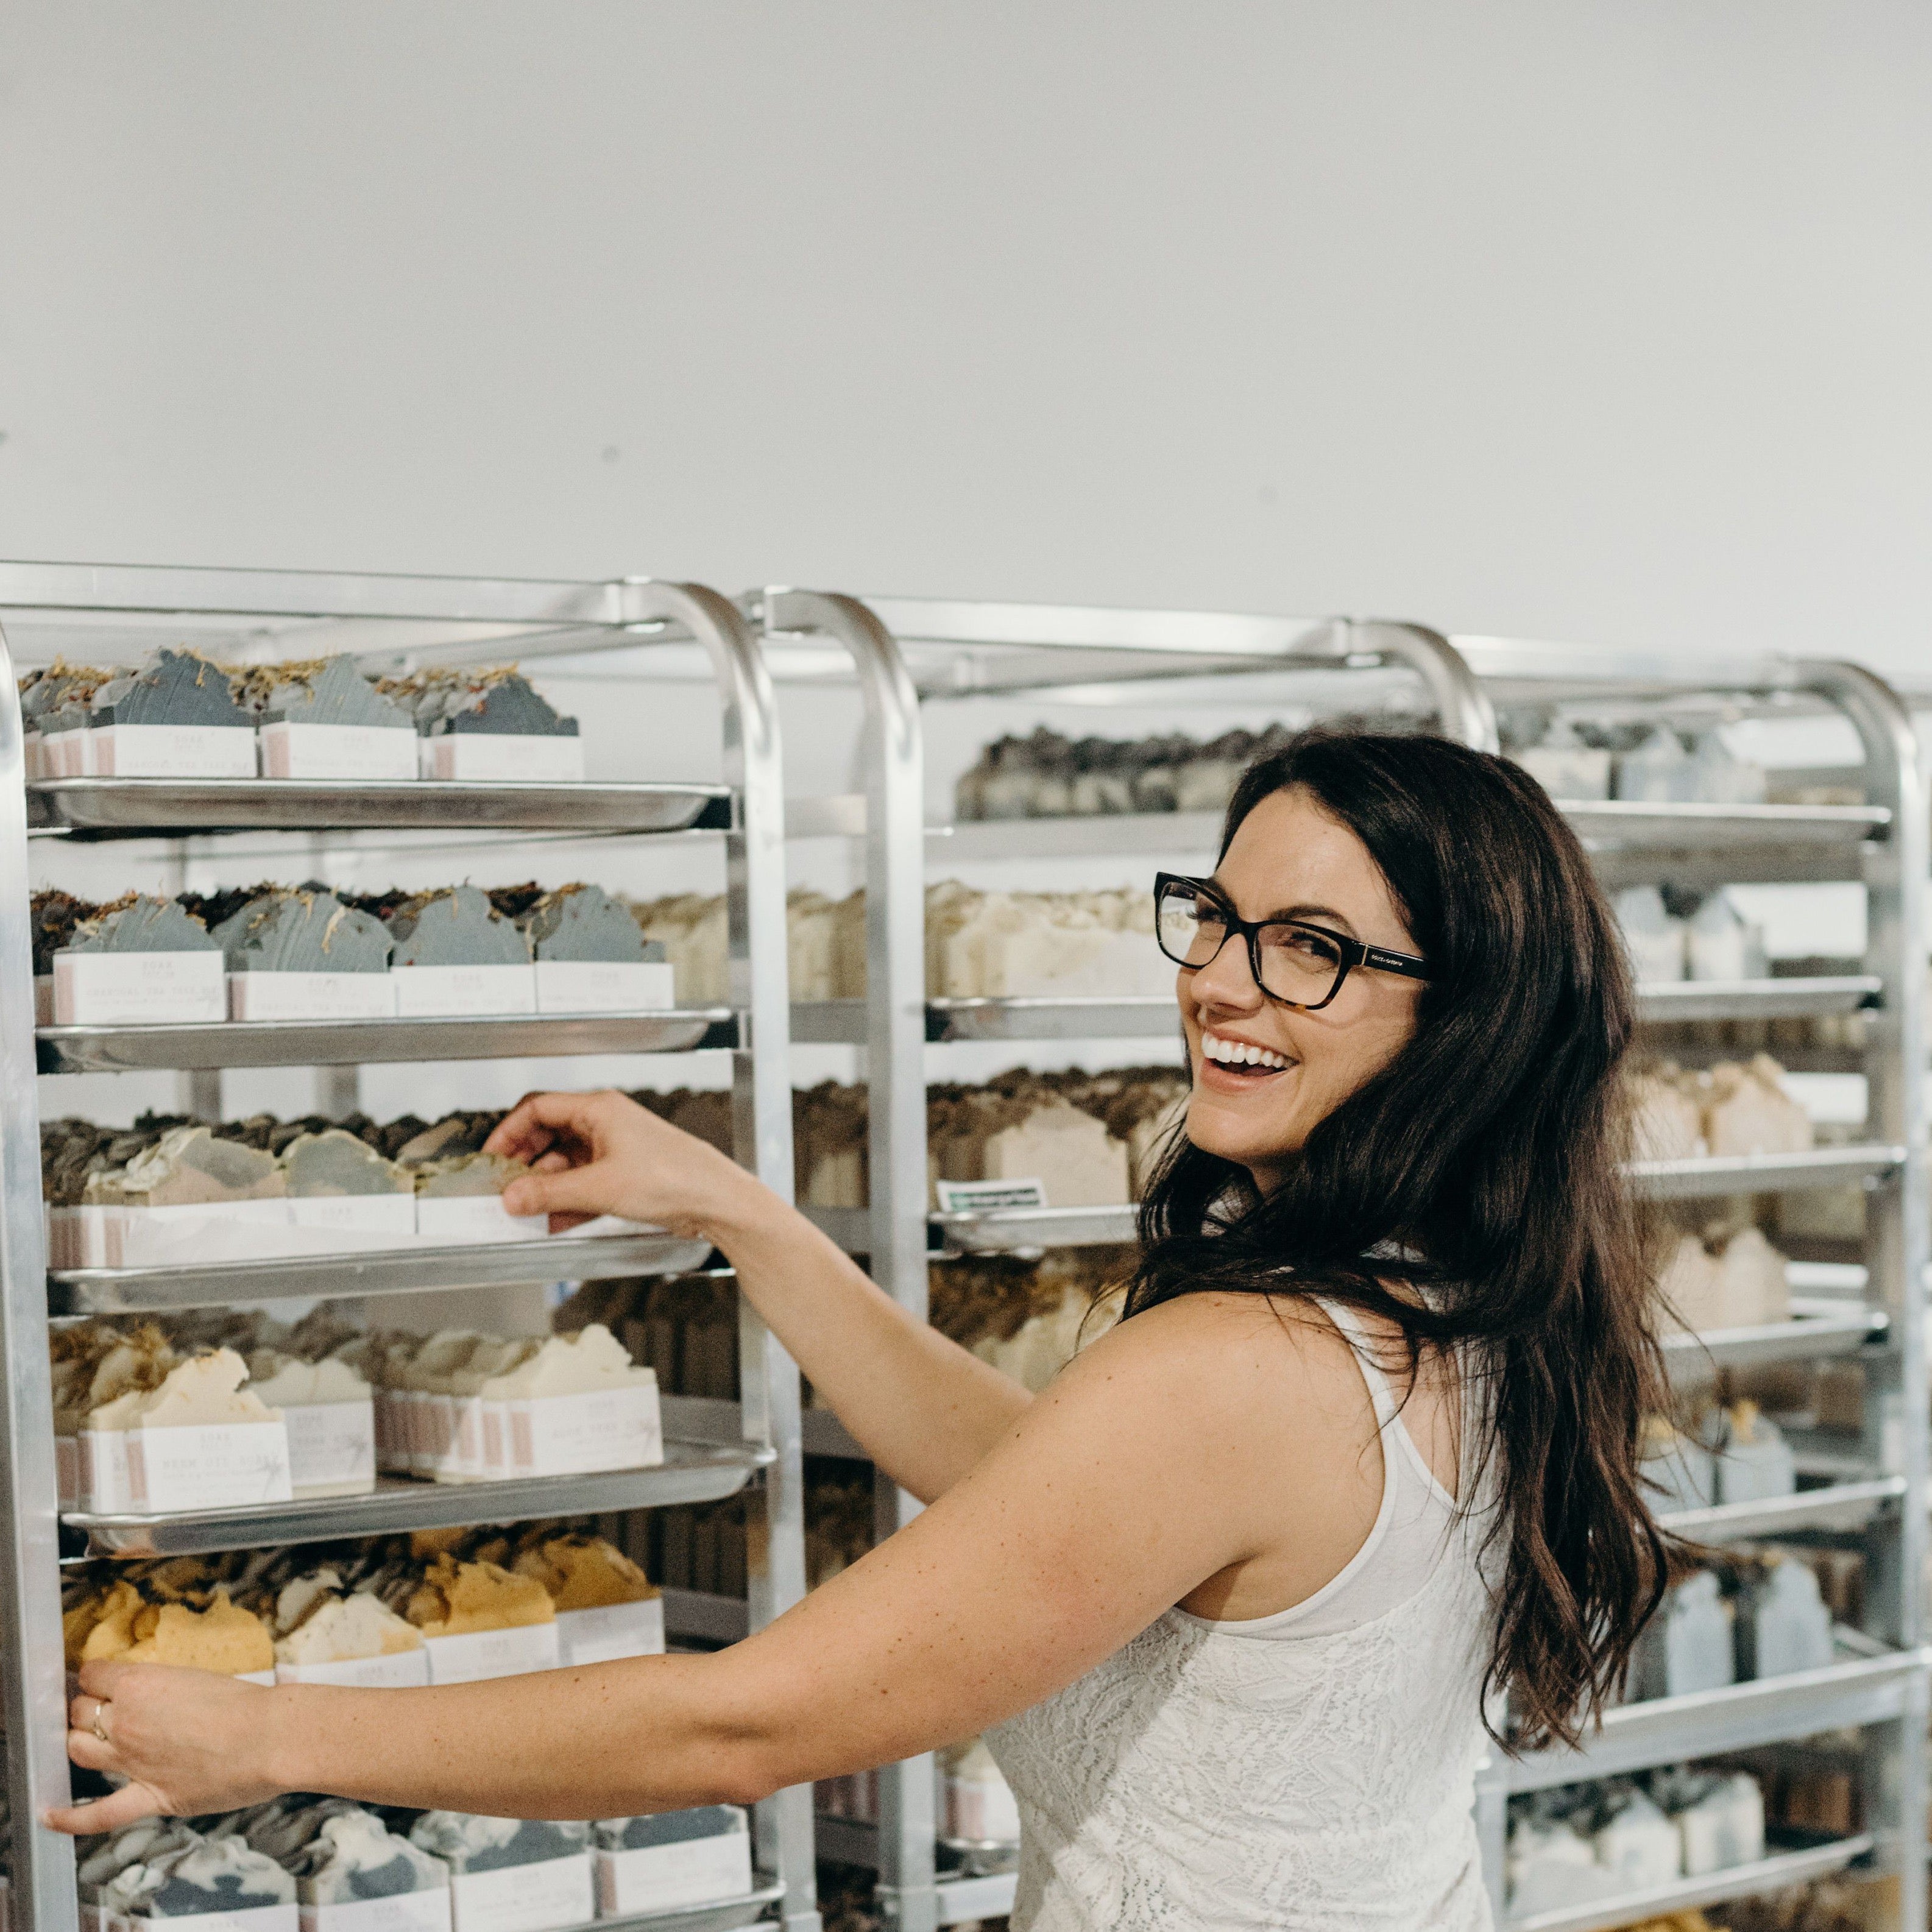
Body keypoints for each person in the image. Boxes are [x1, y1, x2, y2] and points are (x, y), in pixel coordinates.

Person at [55, 730, 1671, 1932]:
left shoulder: (1244, 1366)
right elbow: (1043, 1488)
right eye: (1217, 916)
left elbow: (742, 1718)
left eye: (1311, 949)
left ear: (1463, 1008)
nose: (1221, 984)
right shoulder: (1485, 1299)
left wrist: (269, 1732)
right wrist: (743, 1210)